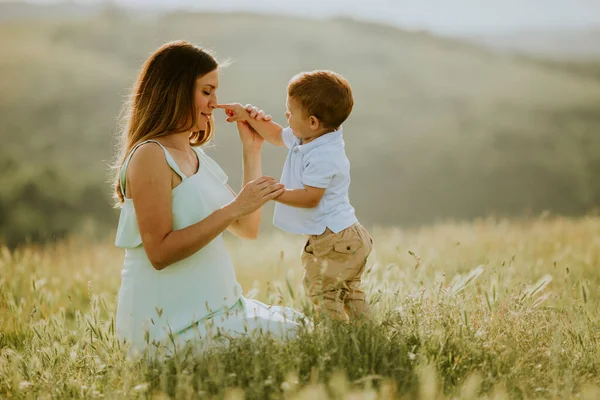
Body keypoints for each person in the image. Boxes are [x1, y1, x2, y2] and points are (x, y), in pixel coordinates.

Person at [112, 40, 305, 357]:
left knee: (304, 328)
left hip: (222, 311)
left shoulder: (195, 156)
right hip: (169, 329)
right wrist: (233, 208)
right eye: (206, 91)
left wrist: (252, 149)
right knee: (294, 339)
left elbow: (246, 226)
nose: (215, 102)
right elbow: (159, 252)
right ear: (175, 91)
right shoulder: (150, 155)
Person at [218, 70, 373, 322]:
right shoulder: (312, 137)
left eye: (290, 111)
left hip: (335, 239)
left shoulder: (325, 155)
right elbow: (276, 135)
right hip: (347, 236)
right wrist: (246, 115)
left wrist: (274, 193)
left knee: (322, 293)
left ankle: (334, 339)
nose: (286, 115)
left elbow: (311, 197)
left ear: (312, 121)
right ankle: (367, 333)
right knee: (348, 292)